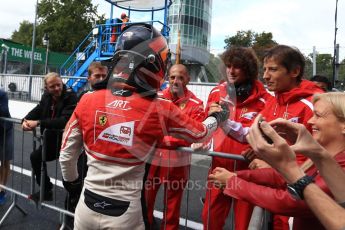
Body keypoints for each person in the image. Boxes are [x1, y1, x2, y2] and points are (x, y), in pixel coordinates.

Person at [59, 23, 228, 230]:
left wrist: (73, 186)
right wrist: (217, 117)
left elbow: (66, 155)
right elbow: (200, 133)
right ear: (154, 63)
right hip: (125, 215)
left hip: (86, 206)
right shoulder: (159, 106)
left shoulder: (88, 99)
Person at [214, 44, 324, 229]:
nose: (265, 76)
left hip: (304, 193)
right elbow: (251, 133)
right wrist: (223, 121)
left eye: (272, 69)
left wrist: (272, 165)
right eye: (265, 69)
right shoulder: (274, 101)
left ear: (295, 71)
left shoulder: (314, 103)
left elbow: (322, 157)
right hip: (277, 187)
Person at [208, 92, 345, 230]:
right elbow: (281, 177)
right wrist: (237, 176)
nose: (310, 121)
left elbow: (291, 201)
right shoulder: (325, 156)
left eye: (318, 116)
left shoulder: (340, 165)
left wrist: (233, 183)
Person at [201, 47, 270, 230]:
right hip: (218, 167)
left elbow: (265, 135)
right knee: (209, 219)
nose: (231, 71)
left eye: (237, 67)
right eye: (228, 66)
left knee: (244, 225)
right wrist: (203, 140)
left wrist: (257, 151)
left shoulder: (264, 99)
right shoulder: (216, 91)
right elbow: (206, 123)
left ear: (248, 69)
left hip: (247, 173)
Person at [144, 64, 206, 229]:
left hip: (178, 161)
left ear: (188, 79)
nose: (176, 81)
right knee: (145, 199)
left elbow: (193, 133)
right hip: (154, 159)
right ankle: (145, 224)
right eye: (172, 77)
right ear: (167, 79)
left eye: (180, 77)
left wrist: (164, 138)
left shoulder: (196, 103)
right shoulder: (156, 97)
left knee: (172, 203)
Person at [63, 62, 108, 228]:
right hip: (82, 153)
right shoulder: (83, 97)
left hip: (100, 157)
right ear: (89, 78)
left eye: (104, 76)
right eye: (97, 76)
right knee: (75, 192)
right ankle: (68, 222)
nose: (102, 79)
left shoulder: (113, 97)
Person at [22, 72, 77, 201]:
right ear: (46, 88)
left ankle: (71, 209)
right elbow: (39, 109)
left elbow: (64, 120)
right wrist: (25, 120)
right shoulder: (46, 96)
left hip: (68, 142)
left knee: (69, 179)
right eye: (52, 86)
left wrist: (39, 122)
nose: (57, 88)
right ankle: (46, 190)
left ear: (62, 82)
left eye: (59, 84)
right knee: (35, 157)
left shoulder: (71, 96)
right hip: (51, 140)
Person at [0, 90, 14, 205]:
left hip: (5, 130)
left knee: (5, 160)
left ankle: (2, 190)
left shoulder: (2, 94)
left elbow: (4, 111)